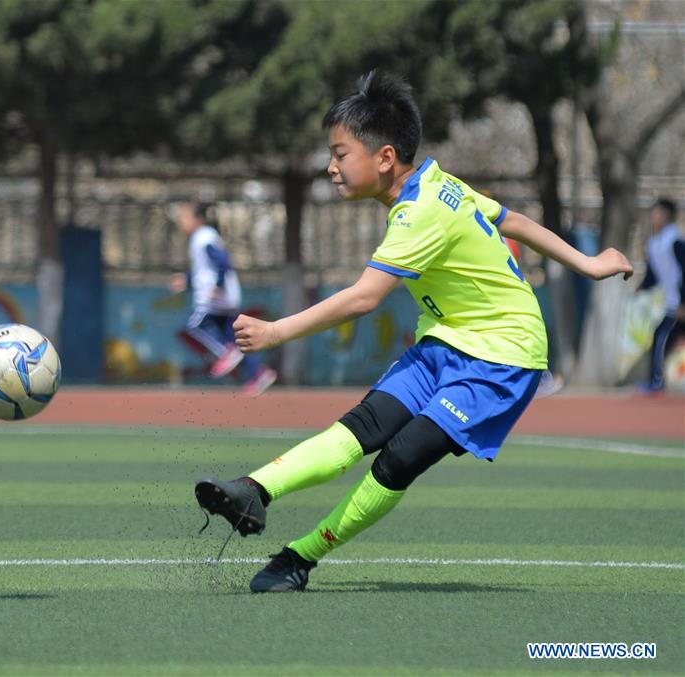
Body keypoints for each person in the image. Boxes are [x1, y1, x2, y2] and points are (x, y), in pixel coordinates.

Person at [194, 70, 633, 592]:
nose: (331, 168)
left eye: (340, 154)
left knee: (400, 455)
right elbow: (507, 219)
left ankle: (300, 557)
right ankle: (253, 490)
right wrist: (587, 262)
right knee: (361, 428)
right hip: (444, 341)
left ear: (384, 158)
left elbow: (363, 298)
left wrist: (274, 333)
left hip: (503, 355)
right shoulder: (436, 182)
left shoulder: (419, 212)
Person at [170, 200, 278, 397]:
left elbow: (222, 261)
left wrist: (218, 285)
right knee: (233, 341)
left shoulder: (203, 237)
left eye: (185, 217)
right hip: (227, 297)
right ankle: (259, 373)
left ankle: (225, 353)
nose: (181, 222)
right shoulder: (204, 237)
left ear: (197, 219)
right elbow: (204, 269)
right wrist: (186, 280)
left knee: (193, 325)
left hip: (214, 298)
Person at [638, 198, 684, 393]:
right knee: (660, 335)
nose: (653, 217)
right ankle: (656, 381)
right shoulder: (653, 243)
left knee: (661, 335)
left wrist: (683, 302)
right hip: (672, 304)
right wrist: (640, 287)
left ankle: (656, 382)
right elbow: (653, 275)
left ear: (667, 216)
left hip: (679, 304)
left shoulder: (675, 241)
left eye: (658, 213)